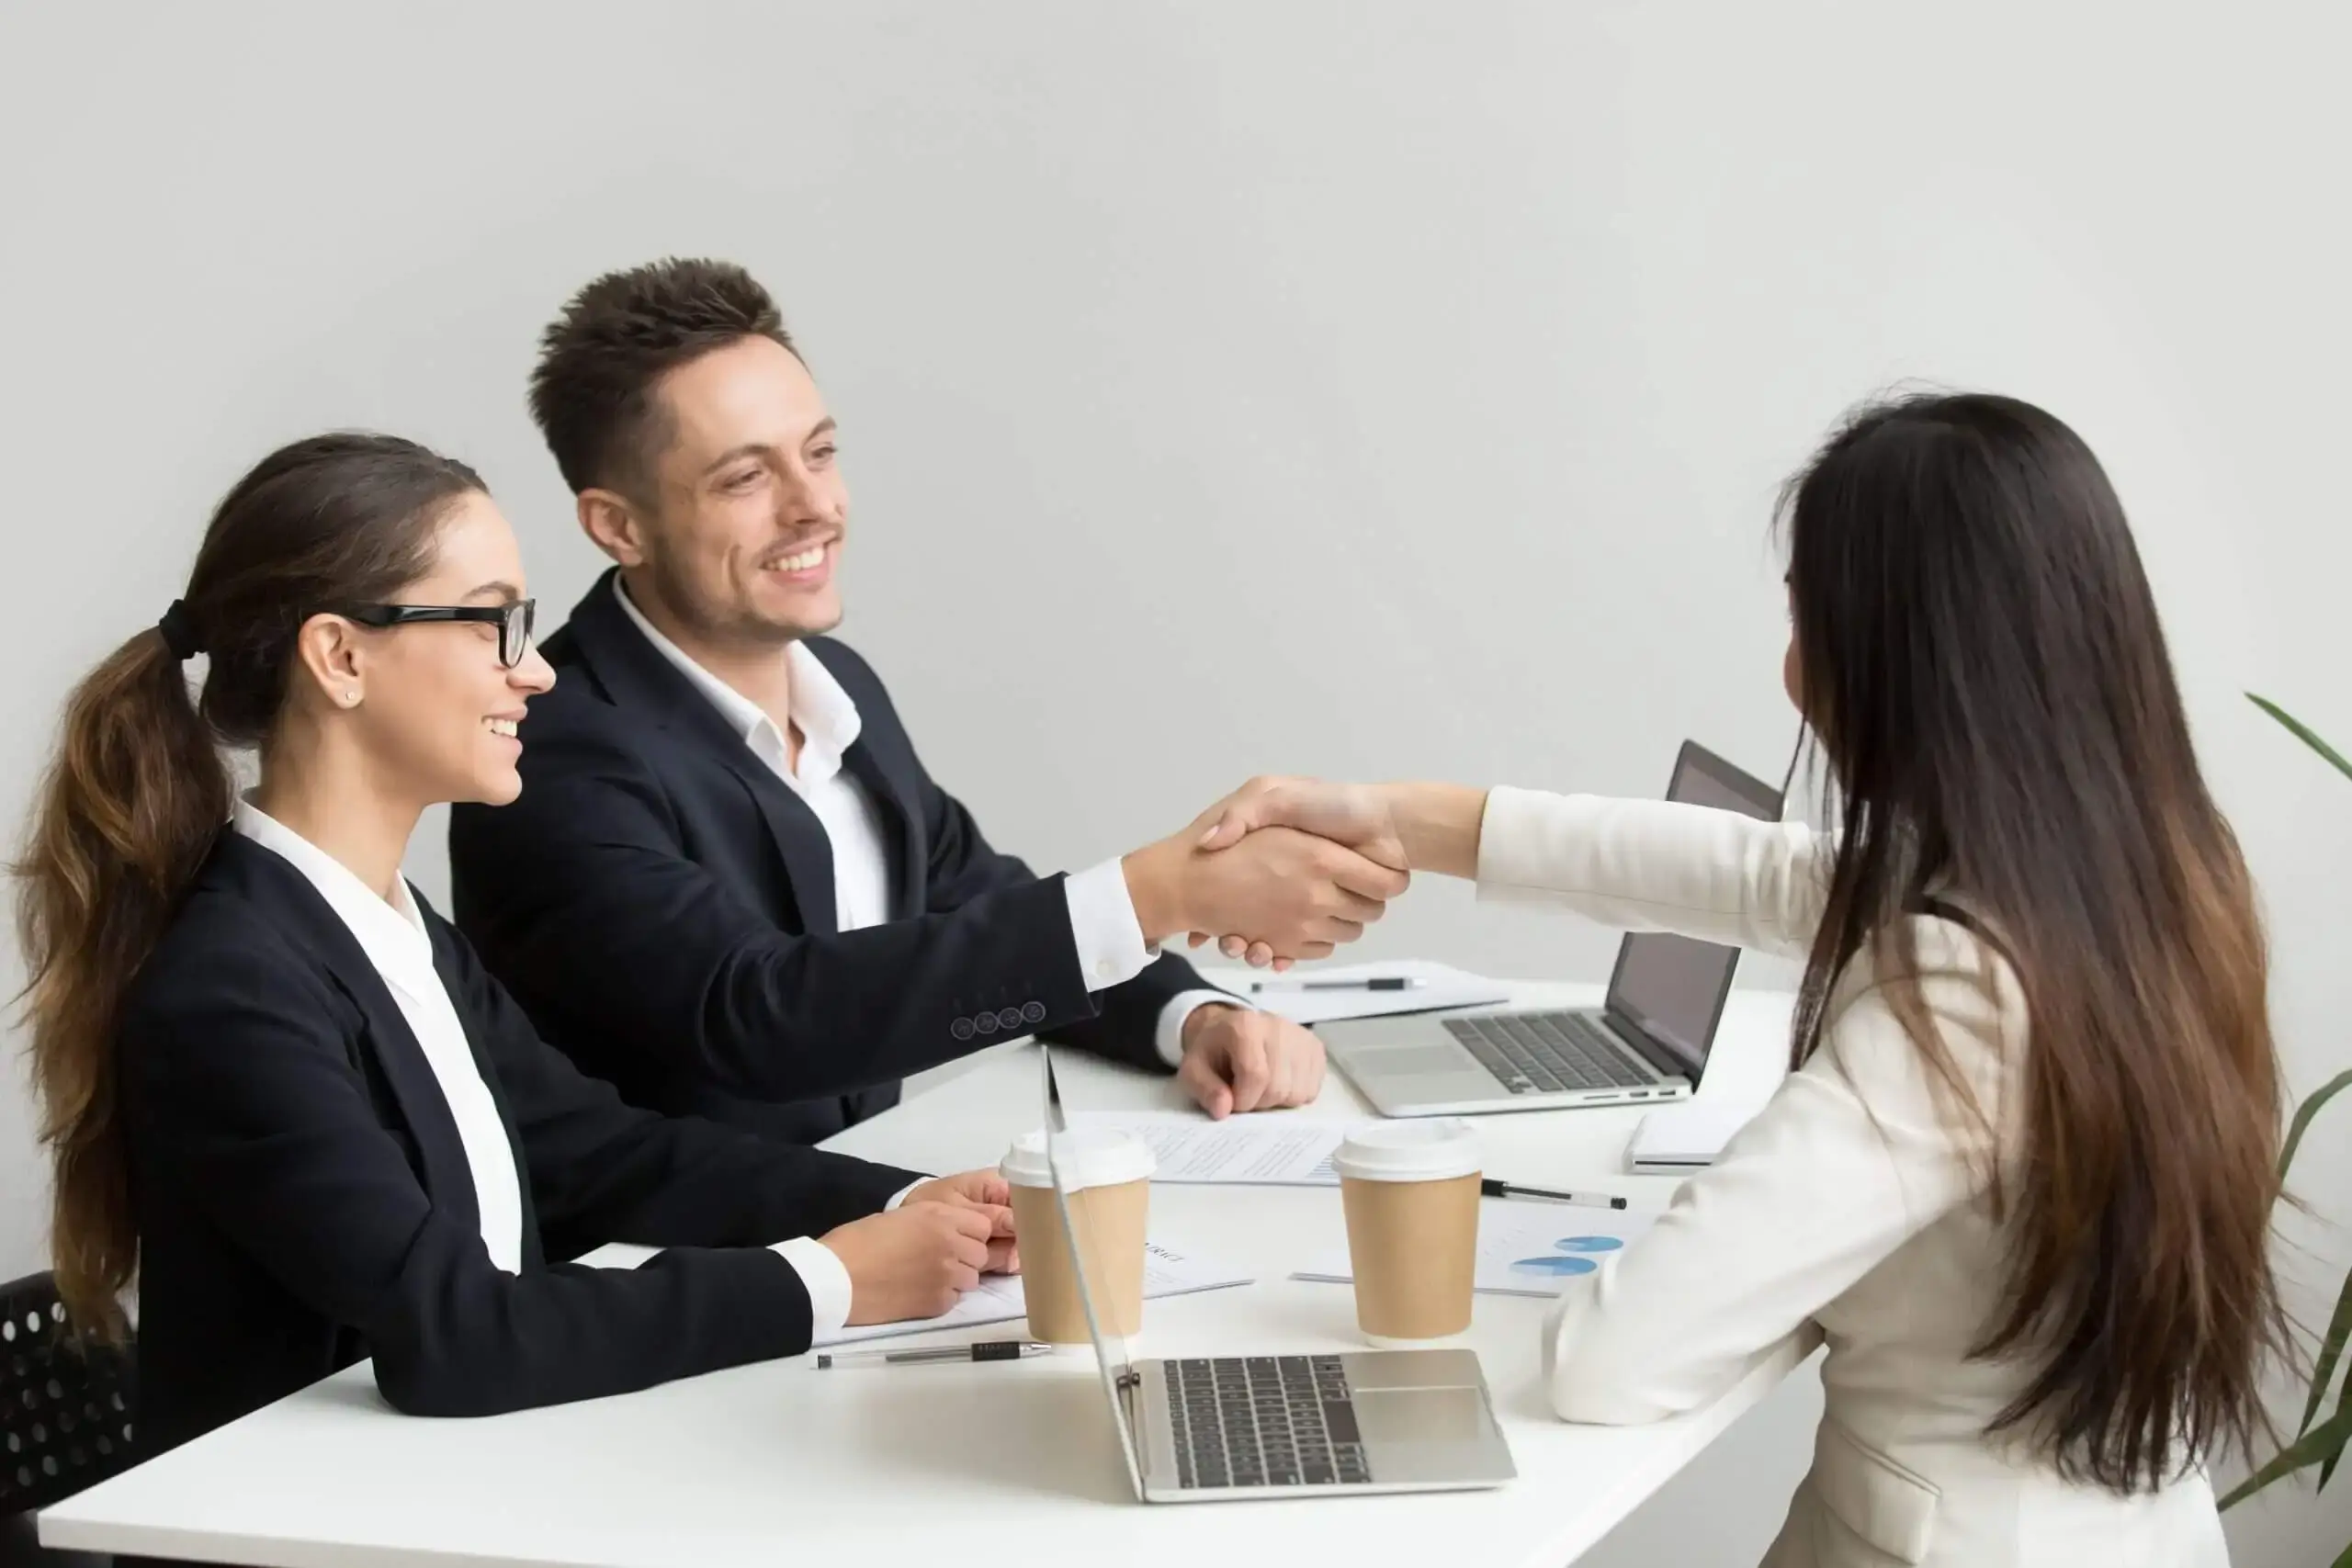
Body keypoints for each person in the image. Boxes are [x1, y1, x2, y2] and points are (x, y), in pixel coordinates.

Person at [1189, 393, 2278, 1566]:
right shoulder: (2154, 873)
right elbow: (1753, 870)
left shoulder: (1965, 992)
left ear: (1908, 660)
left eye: (1809, 622)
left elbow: (1614, 1358)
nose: (1792, 669)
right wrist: (1393, 817)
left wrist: (1748, 1219)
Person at [15, 433, 1024, 1459]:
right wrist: (836, 1279)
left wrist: (902, 1202)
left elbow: (606, 1157)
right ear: (341, 658)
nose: (535, 672)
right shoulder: (231, 988)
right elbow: (459, 1333)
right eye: (495, 623)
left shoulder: (390, 927)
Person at [447, 257, 1400, 1143]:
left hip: (865, 1254)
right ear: (618, 526)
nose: (813, 505)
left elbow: (974, 902)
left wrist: (1185, 1015)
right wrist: (1161, 889)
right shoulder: (552, 748)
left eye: (818, 454)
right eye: (745, 477)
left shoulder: (837, 688)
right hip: (670, 1287)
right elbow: (760, 1015)